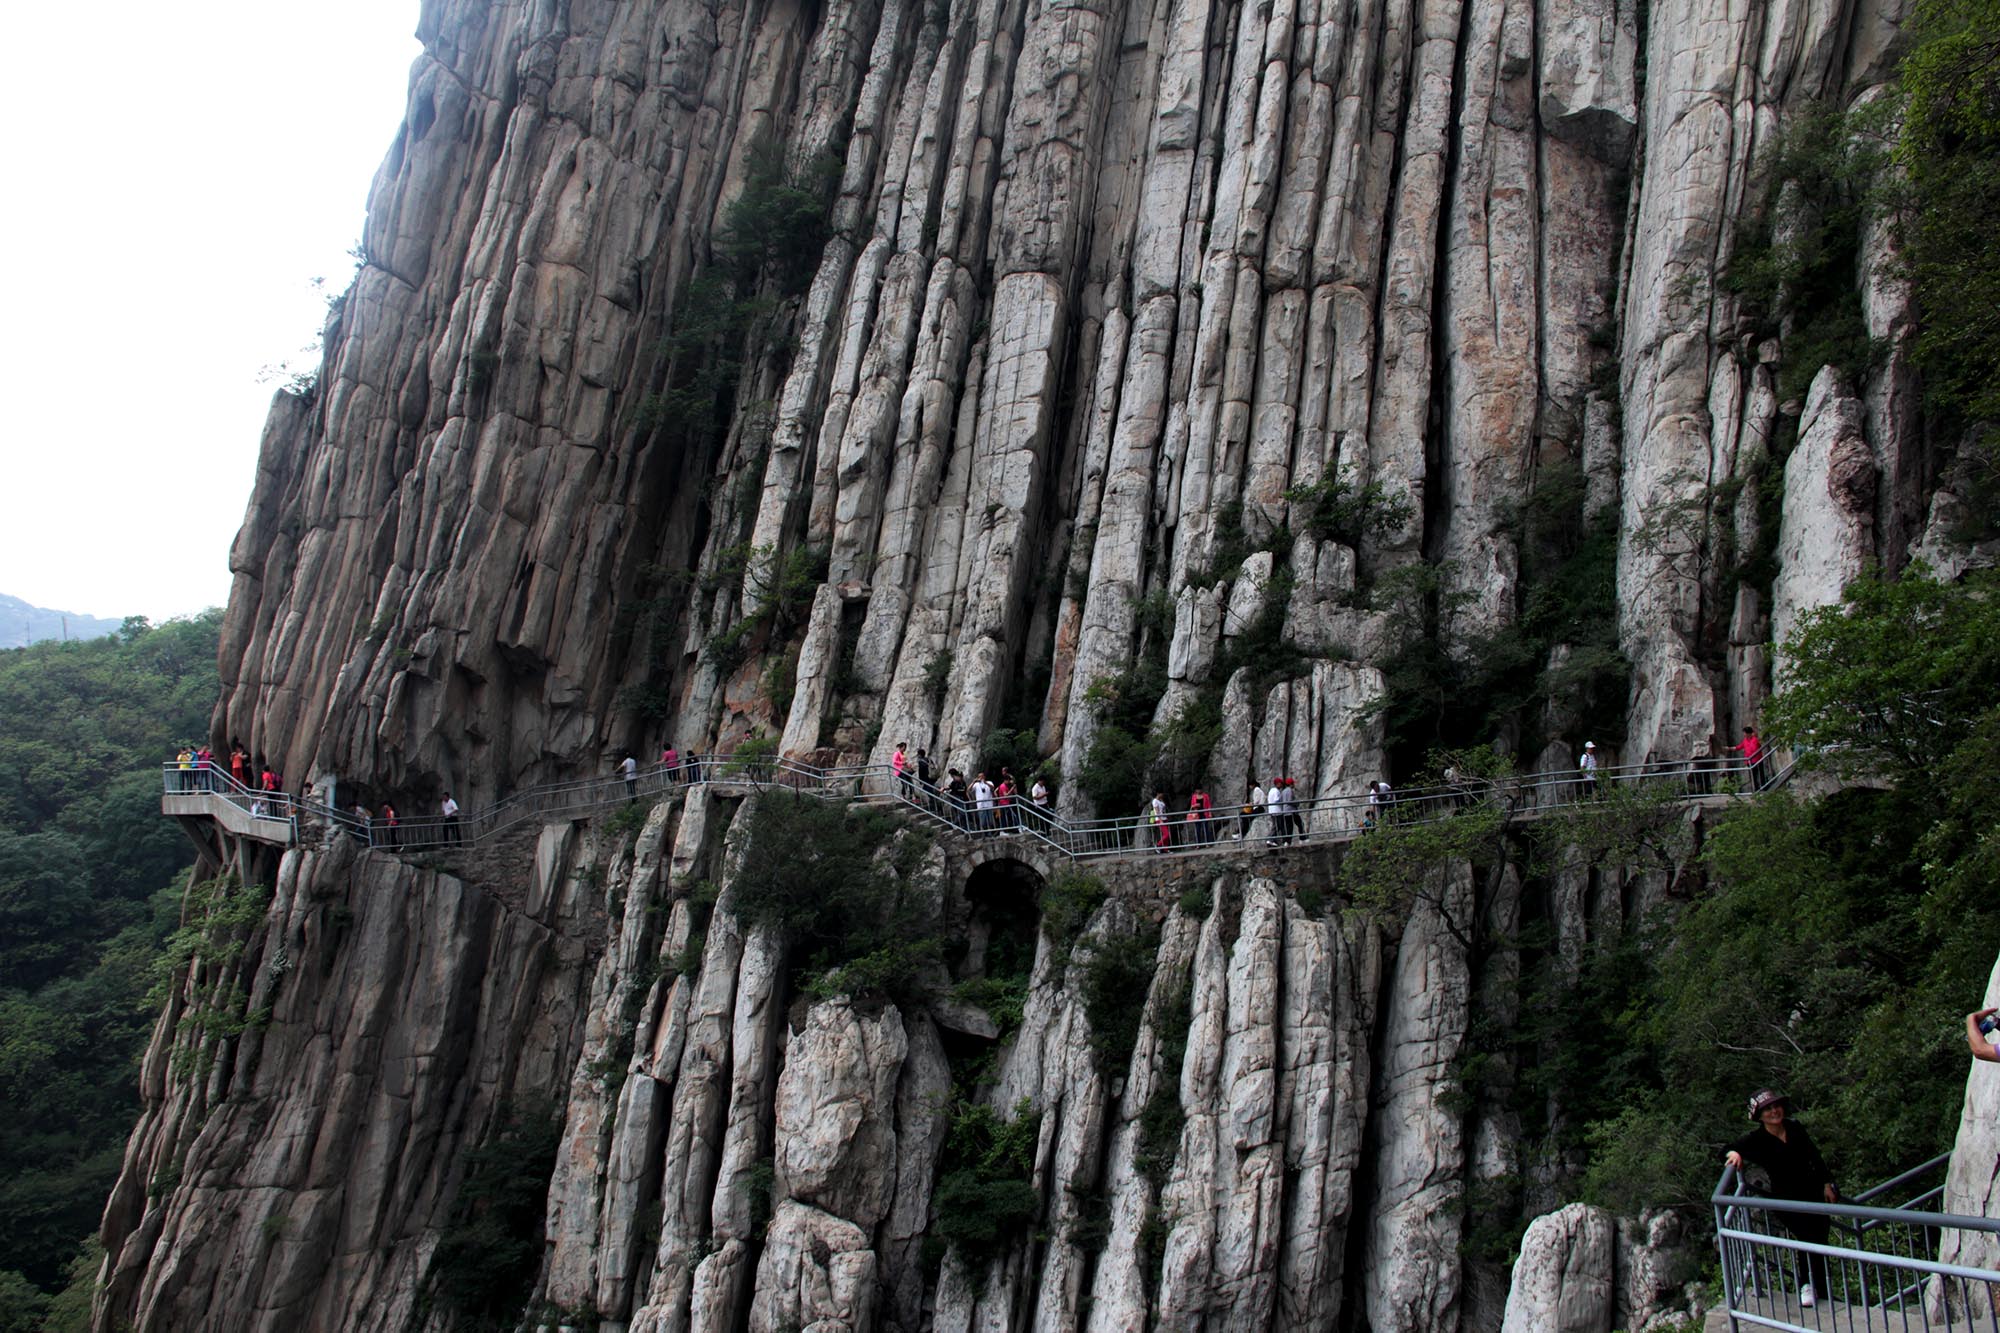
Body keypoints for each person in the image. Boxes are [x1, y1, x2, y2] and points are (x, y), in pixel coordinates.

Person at [1725, 1088, 1837, 1307]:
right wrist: (1734, 1154)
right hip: (1785, 1199)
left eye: (1776, 1106)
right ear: (1759, 1115)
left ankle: (1821, 1290)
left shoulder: (1794, 1128)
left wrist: (1826, 1182)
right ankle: (1806, 1285)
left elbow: (1815, 1156)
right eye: (1767, 1109)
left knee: (1820, 1237)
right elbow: (1727, 1149)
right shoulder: (1756, 1140)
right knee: (1806, 1236)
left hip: (1813, 1192)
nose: (1774, 1111)